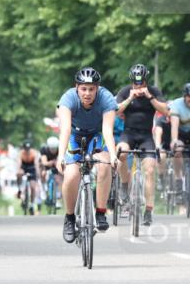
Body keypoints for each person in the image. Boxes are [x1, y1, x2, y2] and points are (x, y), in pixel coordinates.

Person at [56, 67, 117, 242]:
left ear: (97, 88)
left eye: (91, 89)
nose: (87, 93)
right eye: (83, 89)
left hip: (96, 134)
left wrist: (112, 155)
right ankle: (69, 218)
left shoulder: (106, 98)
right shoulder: (68, 98)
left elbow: (107, 130)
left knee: (104, 165)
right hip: (74, 135)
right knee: (72, 174)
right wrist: (61, 156)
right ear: (77, 87)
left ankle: (100, 213)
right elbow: (65, 129)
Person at [114, 63, 167, 226]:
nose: (139, 85)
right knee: (121, 153)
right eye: (136, 83)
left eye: (141, 82)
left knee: (150, 170)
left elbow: (165, 111)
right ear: (132, 81)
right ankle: (124, 186)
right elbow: (115, 111)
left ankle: (149, 210)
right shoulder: (125, 91)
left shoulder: (154, 91)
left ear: (145, 81)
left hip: (146, 135)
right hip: (128, 133)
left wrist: (149, 96)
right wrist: (131, 97)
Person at [15, 141, 40, 215]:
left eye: (28, 149)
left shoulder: (34, 153)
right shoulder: (20, 154)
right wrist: (18, 170)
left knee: (32, 187)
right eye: (26, 149)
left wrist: (37, 172)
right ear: (23, 148)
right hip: (24, 167)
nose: (27, 150)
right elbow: (19, 163)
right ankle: (19, 189)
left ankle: (32, 204)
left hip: (32, 167)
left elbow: (36, 163)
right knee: (19, 173)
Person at [40, 136, 62, 209]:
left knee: (59, 178)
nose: (53, 150)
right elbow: (44, 162)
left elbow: (61, 160)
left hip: (56, 165)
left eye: (55, 149)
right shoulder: (44, 150)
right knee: (43, 174)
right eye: (52, 149)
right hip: (46, 166)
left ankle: (58, 198)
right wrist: (52, 162)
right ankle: (44, 190)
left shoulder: (60, 149)